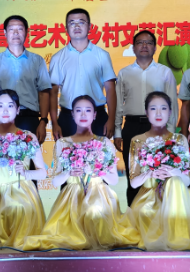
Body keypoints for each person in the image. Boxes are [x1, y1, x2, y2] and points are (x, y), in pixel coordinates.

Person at [24, 95, 139, 251]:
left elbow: (114, 180)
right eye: (78, 110)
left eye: (88, 110)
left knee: (94, 211)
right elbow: (55, 182)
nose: (83, 114)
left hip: (98, 193)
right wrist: (69, 173)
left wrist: (97, 170)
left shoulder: (104, 142)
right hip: (71, 195)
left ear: (95, 114)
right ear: (72, 114)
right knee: (70, 224)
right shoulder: (63, 143)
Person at [0, 90, 47, 249]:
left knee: (18, 210)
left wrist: (26, 173)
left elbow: (43, 172)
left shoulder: (28, 137)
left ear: (18, 109)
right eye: (0, 106)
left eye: (10, 106)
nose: (5, 110)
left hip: (23, 193)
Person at [127, 92, 190, 251]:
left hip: (177, 194)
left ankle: (177, 238)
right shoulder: (137, 140)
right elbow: (133, 183)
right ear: (146, 113)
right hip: (149, 196)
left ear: (170, 112)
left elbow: (187, 181)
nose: (158, 113)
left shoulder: (180, 139)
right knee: (147, 212)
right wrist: (151, 173)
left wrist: (174, 172)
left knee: (175, 183)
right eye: (153, 108)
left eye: (163, 108)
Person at [115, 30, 179, 206]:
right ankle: (133, 214)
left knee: (161, 173)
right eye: (140, 42)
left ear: (155, 48)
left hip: (159, 129)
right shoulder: (124, 73)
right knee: (134, 176)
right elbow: (119, 104)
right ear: (133, 48)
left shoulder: (165, 72)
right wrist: (117, 132)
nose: (144, 46)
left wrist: (170, 134)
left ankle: (161, 212)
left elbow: (172, 105)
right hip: (132, 126)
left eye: (149, 42)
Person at [0, 15, 52, 140]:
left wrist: (43, 121)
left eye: (20, 29)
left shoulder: (37, 61)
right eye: (12, 29)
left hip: (29, 119)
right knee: (0, 152)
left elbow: (43, 93)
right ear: (5, 33)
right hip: (2, 119)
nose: (16, 33)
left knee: (29, 153)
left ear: (27, 32)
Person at [50, 9, 117, 139]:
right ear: (66, 28)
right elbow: (52, 93)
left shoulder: (102, 55)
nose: (76, 26)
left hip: (97, 116)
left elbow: (110, 89)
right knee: (67, 152)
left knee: (100, 152)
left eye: (81, 22)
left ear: (89, 26)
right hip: (68, 118)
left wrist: (111, 119)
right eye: (72, 23)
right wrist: (54, 123)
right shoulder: (57, 58)